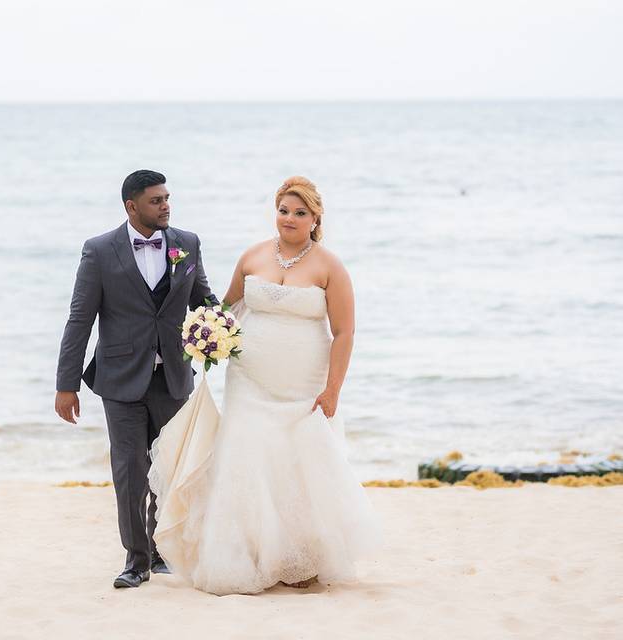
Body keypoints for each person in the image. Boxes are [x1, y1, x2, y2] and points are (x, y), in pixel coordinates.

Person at [148, 176, 383, 595]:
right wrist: (206, 334)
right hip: (249, 383)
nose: (289, 219)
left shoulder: (330, 266)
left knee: (295, 465)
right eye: (283, 210)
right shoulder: (253, 256)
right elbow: (226, 308)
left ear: (315, 218)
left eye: (300, 213)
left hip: (302, 387)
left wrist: (333, 390)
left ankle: (301, 561)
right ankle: (247, 555)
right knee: (245, 461)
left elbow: (344, 332)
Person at [55, 169, 218, 589]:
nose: (165, 205)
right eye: (156, 200)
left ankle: (161, 550)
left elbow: (205, 301)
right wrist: (66, 383)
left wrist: (228, 334)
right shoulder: (100, 251)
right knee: (130, 471)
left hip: (173, 378)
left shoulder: (187, 244)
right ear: (132, 207)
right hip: (120, 380)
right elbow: (80, 319)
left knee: (168, 469)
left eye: (167, 198)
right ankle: (136, 560)